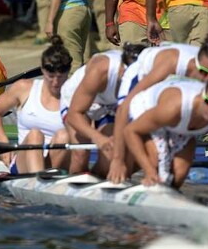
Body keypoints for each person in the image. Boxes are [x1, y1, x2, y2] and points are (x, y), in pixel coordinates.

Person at [108, 34, 208, 183]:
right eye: (203, 73)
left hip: (170, 96)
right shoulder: (171, 62)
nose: (206, 80)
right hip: (142, 78)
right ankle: (125, 174)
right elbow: (124, 109)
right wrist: (118, 160)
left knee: (177, 175)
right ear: (194, 64)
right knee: (145, 156)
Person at [124, 73, 208, 189]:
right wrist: (148, 170)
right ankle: (128, 170)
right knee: (157, 169)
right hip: (148, 110)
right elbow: (130, 131)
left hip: (180, 125)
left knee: (177, 177)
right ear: (202, 95)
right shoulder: (174, 108)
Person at [0, 36, 72, 174]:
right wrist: (3, 143)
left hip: (56, 161)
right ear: (43, 70)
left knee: (64, 135)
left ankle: (47, 180)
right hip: (24, 161)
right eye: (51, 76)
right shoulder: (24, 88)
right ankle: (36, 183)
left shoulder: (74, 96)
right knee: (35, 134)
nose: (55, 82)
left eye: (60, 76)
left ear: (68, 72)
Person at [61, 44, 146, 175]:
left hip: (109, 105)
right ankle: (75, 181)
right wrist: (98, 137)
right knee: (81, 153)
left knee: (111, 155)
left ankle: (96, 178)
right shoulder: (100, 69)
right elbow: (74, 115)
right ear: (123, 70)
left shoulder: (146, 74)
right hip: (76, 102)